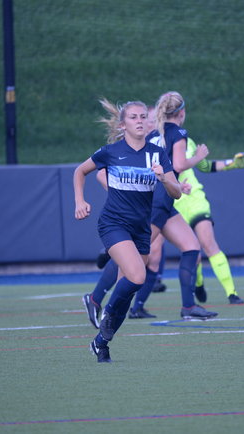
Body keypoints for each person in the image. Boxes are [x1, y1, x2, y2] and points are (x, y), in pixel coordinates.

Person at [74, 98, 184, 363]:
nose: (140, 121)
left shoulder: (157, 154)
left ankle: (101, 343)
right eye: (133, 117)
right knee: (137, 276)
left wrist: (164, 178)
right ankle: (106, 311)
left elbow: (177, 193)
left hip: (141, 229)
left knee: (129, 291)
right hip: (113, 224)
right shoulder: (110, 152)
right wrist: (79, 201)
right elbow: (80, 171)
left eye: (143, 117)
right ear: (123, 125)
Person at [128, 137, 244, 317]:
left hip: (194, 200)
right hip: (168, 201)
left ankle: (231, 293)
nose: (146, 123)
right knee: (151, 254)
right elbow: (177, 166)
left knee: (206, 244)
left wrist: (231, 164)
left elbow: (205, 165)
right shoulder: (151, 141)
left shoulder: (185, 139)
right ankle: (132, 304)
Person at [142, 90, 219, 320]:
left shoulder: (154, 133)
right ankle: (98, 298)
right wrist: (199, 156)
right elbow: (178, 164)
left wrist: (177, 186)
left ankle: (188, 307)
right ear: (182, 112)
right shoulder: (178, 132)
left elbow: (159, 168)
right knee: (136, 253)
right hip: (159, 200)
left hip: (158, 197)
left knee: (191, 247)